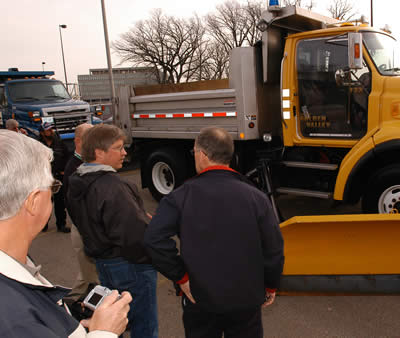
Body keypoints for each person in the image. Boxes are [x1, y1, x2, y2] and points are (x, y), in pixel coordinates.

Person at [144, 126, 285, 338]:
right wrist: (271, 285)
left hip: (200, 298)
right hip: (246, 299)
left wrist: (181, 278)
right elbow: (274, 248)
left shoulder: (180, 196)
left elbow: (154, 239)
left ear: (202, 155)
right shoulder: (256, 197)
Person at [0, 129, 132, 337]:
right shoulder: (14, 318)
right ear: (33, 202)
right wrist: (104, 332)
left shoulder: (17, 266)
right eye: (52, 186)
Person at [67, 124, 158, 338]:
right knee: (144, 325)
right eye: (118, 148)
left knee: (114, 322)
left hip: (104, 262)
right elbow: (132, 235)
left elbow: (97, 220)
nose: (125, 152)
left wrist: (139, 217)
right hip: (130, 265)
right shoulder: (113, 186)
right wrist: (152, 256)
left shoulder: (78, 181)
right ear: (99, 152)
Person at [63, 123, 100, 304]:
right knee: (92, 278)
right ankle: (68, 306)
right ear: (78, 141)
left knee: (87, 275)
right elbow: (73, 207)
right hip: (84, 231)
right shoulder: (74, 169)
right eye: (90, 137)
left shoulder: (87, 163)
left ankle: (68, 304)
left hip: (89, 231)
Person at [39, 121, 70, 233]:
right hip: (44, 178)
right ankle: (43, 225)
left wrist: (64, 170)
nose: (51, 131)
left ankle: (61, 224)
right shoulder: (38, 145)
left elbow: (67, 157)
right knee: (44, 202)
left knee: (60, 203)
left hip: (58, 177)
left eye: (51, 129)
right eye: (48, 130)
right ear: (42, 133)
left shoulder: (59, 143)